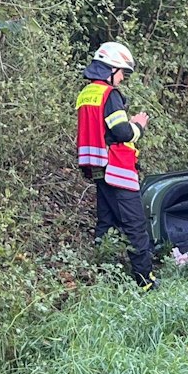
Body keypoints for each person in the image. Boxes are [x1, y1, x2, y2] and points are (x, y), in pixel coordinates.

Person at [75, 41, 156, 287]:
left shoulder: (87, 93)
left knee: (106, 224)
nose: (122, 78)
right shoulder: (110, 95)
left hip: (98, 168)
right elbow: (121, 132)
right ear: (111, 69)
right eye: (122, 72)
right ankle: (145, 282)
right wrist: (139, 125)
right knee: (135, 225)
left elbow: (101, 129)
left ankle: (102, 278)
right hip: (117, 169)